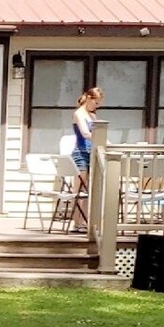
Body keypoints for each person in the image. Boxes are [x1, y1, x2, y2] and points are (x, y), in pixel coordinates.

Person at [69, 87, 104, 232]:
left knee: (90, 190)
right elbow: (84, 133)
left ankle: (85, 222)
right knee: (80, 190)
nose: (96, 106)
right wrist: (98, 136)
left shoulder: (92, 116)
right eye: (96, 103)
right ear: (89, 98)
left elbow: (99, 132)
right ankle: (76, 223)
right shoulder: (79, 114)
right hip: (81, 153)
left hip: (92, 153)